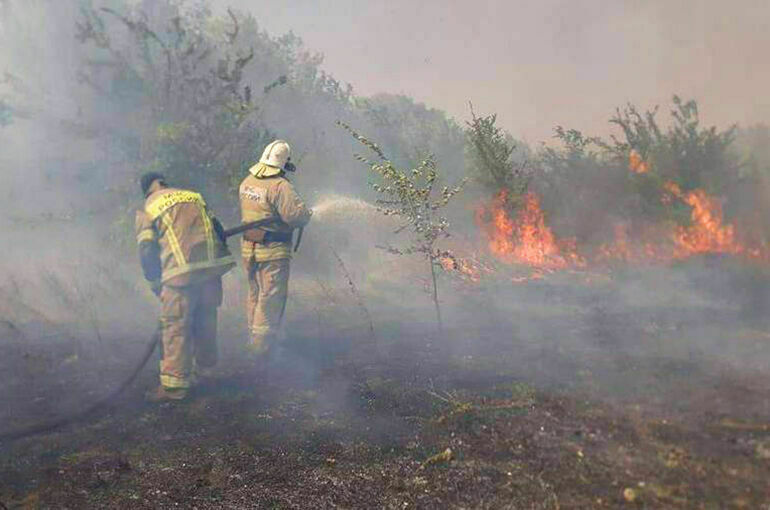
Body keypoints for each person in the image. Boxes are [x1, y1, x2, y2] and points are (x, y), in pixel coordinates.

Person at [135, 172, 236, 401]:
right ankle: (207, 370)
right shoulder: (193, 197)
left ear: (146, 191)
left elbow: (147, 249)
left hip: (180, 275)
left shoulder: (148, 207)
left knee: (175, 327)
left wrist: (155, 282)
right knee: (206, 320)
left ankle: (174, 387)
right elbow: (218, 230)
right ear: (163, 183)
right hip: (211, 270)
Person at [239, 140, 312, 359]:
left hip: (249, 250)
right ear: (284, 162)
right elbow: (296, 216)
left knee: (254, 294)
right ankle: (261, 350)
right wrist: (307, 214)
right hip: (273, 251)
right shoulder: (280, 186)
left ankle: (254, 339)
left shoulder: (247, 182)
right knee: (270, 299)